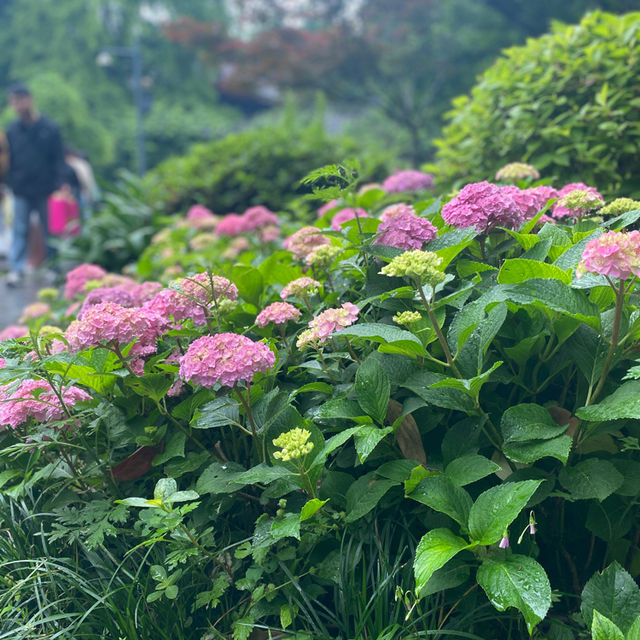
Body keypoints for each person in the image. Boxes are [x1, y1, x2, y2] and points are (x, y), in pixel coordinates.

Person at [5, 82, 67, 286]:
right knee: (19, 228)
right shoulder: (12, 130)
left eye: (21, 100)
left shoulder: (49, 128)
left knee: (50, 230)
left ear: (30, 100)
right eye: (14, 102)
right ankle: (17, 269)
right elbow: (9, 159)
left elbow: (59, 159)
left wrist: (61, 184)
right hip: (21, 188)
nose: (18, 106)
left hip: (46, 188)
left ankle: (53, 267)